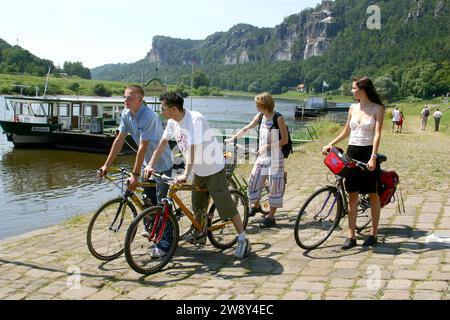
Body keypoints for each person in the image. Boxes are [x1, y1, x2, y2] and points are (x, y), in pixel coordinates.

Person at [144, 92, 251, 260]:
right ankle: (200, 234)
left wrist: (186, 174)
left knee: (224, 204)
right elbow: (163, 143)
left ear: (173, 108)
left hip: (213, 167)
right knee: (198, 204)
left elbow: (192, 149)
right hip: (199, 169)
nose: (161, 112)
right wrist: (150, 164)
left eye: (163, 108)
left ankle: (243, 238)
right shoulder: (172, 122)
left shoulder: (195, 120)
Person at [97, 85, 173, 258]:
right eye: (125, 97)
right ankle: (152, 227)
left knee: (162, 204)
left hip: (161, 163)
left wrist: (135, 175)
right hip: (147, 163)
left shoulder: (149, 117)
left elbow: (142, 147)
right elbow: (119, 140)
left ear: (140, 99)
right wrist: (106, 165)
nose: (125, 101)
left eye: (129, 98)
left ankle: (166, 243)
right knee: (147, 200)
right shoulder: (126, 114)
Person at [321, 77, 385, 249]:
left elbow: (377, 134)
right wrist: (330, 144)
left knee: (373, 194)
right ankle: (351, 235)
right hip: (352, 153)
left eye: (353, 88)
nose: (351, 91)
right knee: (352, 195)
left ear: (362, 89)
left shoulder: (378, 109)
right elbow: (346, 131)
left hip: (367, 153)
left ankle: (374, 233)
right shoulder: (352, 107)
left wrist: (373, 157)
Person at [225, 92, 288, 228]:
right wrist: (232, 138)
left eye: (257, 104)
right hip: (262, 157)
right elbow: (247, 128)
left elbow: (285, 140)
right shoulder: (260, 116)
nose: (256, 106)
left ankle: (271, 217)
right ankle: (257, 206)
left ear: (264, 105)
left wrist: (267, 145)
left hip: (275, 157)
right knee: (252, 183)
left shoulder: (278, 118)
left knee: (274, 188)